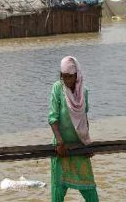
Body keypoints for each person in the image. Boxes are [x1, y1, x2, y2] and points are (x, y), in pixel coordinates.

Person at [48, 56, 99, 202]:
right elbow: (53, 118)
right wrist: (59, 142)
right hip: (61, 149)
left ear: (76, 76)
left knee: (91, 194)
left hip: (79, 147)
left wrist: (87, 143)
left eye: (70, 77)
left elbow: (84, 119)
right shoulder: (57, 88)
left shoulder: (84, 92)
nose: (67, 81)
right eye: (64, 77)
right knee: (58, 194)